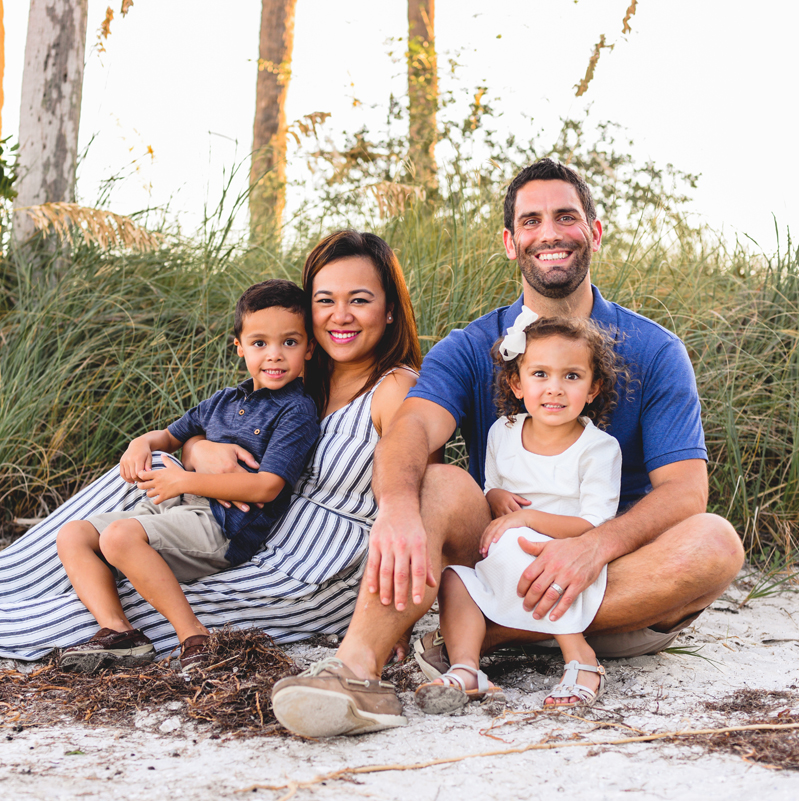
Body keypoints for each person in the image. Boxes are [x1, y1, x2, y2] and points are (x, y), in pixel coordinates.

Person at [270, 158, 745, 738]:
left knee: (715, 542)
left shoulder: (655, 348)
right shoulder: (470, 346)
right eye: (531, 220)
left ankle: (482, 635)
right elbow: (412, 430)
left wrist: (594, 547)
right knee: (439, 483)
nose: (549, 233)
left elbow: (685, 490)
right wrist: (394, 508)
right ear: (510, 241)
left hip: (616, 582)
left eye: (566, 217)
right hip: (501, 556)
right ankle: (354, 672)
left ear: (592, 233)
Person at [0, 230, 424, 680]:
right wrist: (195, 448)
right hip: (246, 525)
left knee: (142, 598)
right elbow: (220, 429)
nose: (339, 316)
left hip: (309, 566)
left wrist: (399, 611)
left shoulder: (394, 388)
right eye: (325, 300)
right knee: (134, 482)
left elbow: (421, 487)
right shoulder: (301, 375)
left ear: (390, 309)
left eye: (360, 300)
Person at [54, 279, 319, 673]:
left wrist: (184, 481)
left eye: (290, 343)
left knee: (118, 536)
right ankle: (119, 631)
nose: (274, 356)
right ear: (240, 347)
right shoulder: (224, 400)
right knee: (72, 533)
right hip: (175, 511)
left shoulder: (296, 411)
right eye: (260, 343)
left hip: (223, 528)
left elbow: (268, 486)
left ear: (309, 347)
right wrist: (140, 443)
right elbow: (170, 436)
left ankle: (193, 635)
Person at [415, 315, 624, 715]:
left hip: (566, 556)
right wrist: (494, 496)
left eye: (572, 376)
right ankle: (467, 668)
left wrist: (526, 520)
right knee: (455, 579)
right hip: (500, 556)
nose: (554, 389)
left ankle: (580, 657)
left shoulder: (599, 449)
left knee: (521, 545)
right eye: (540, 374)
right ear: (517, 383)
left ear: (594, 387)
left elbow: (593, 525)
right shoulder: (503, 432)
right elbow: (492, 487)